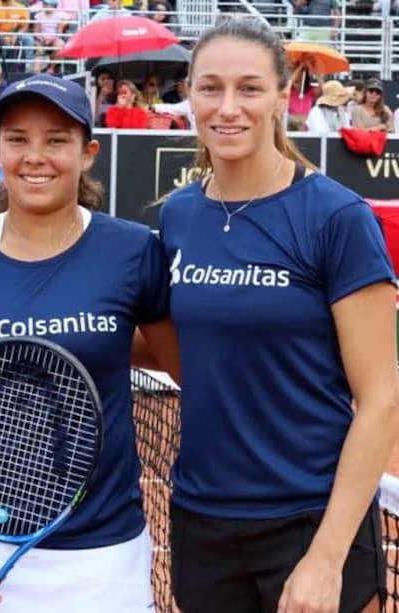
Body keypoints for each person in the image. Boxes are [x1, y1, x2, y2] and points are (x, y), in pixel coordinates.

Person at [0, 73, 179, 613]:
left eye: (56, 139)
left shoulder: (132, 252)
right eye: (18, 139)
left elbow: (182, 365)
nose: (36, 156)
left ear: (87, 152)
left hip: (105, 555)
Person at [158, 16, 398, 613]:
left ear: (282, 96)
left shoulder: (336, 218)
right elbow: (184, 347)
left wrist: (326, 557)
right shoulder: (178, 216)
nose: (227, 107)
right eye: (209, 87)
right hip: (202, 517)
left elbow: (381, 399)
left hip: (312, 517)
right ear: (188, 93)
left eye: (249, 87)